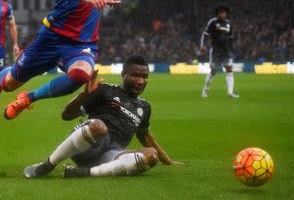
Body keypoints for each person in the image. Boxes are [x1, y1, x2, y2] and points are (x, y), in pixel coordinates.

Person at [23, 55, 183, 178]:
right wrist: (83, 95)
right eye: (135, 75)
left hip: (111, 155)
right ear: (123, 75)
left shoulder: (144, 107)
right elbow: (67, 115)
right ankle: (47, 165)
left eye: (144, 77)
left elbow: (145, 135)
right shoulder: (105, 90)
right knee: (99, 127)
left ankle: (83, 173)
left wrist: (166, 160)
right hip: (85, 146)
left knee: (151, 156)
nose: (140, 81)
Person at [200, 5, 239, 98]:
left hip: (226, 51)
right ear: (217, 14)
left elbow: (230, 38)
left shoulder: (229, 23)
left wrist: (232, 50)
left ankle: (230, 93)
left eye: (224, 12)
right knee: (214, 70)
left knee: (229, 69)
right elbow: (205, 34)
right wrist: (203, 45)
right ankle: (205, 90)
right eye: (221, 12)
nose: (223, 14)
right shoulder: (213, 22)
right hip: (215, 50)